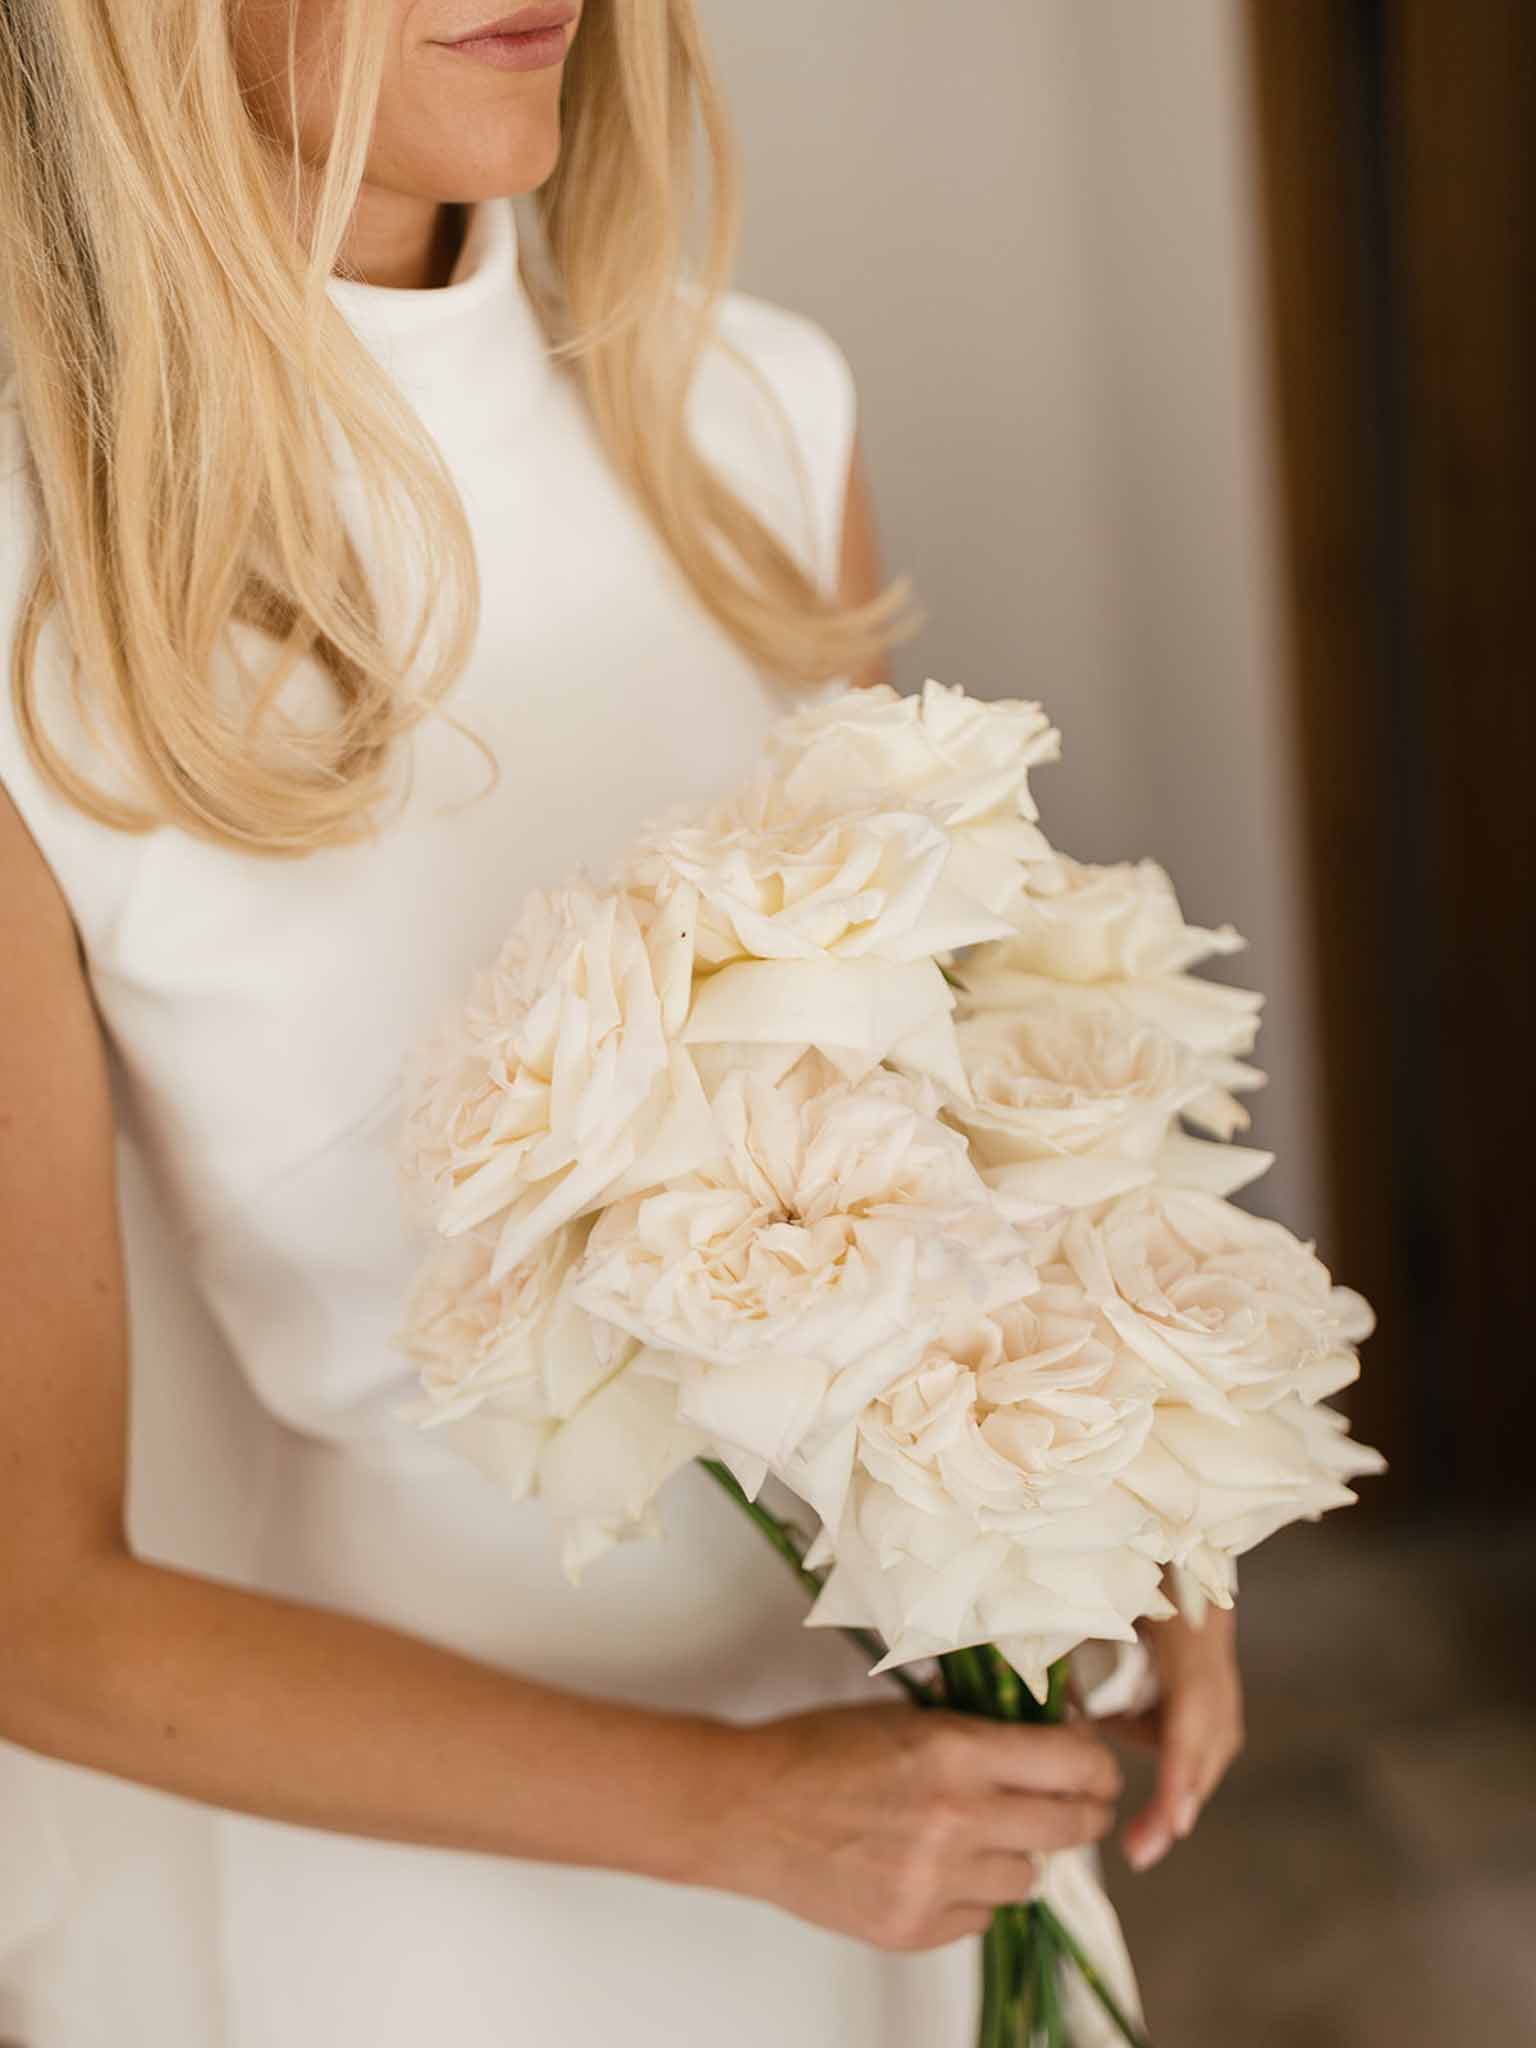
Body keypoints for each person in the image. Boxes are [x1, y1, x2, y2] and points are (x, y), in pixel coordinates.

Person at [0, 4, 1243, 2042]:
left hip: (941, 1831)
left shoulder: (751, 416)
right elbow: (31, 1609)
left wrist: (1152, 1500)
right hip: (468, 1922)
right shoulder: (38, 628)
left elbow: (967, 1100)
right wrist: (737, 1811)